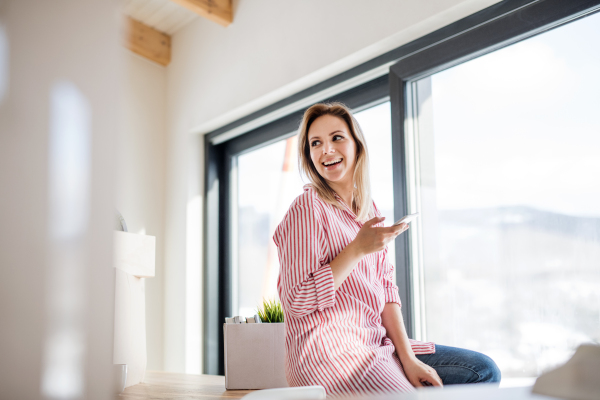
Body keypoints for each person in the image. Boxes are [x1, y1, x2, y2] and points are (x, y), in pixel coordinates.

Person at [273, 103, 500, 396]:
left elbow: (386, 291)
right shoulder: (307, 208)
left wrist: (408, 359)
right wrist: (356, 249)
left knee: (483, 371)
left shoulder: (368, 211)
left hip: (377, 345)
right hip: (331, 356)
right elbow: (297, 299)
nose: (326, 150)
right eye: (315, 143)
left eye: (337, 138)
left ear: (357, 145)